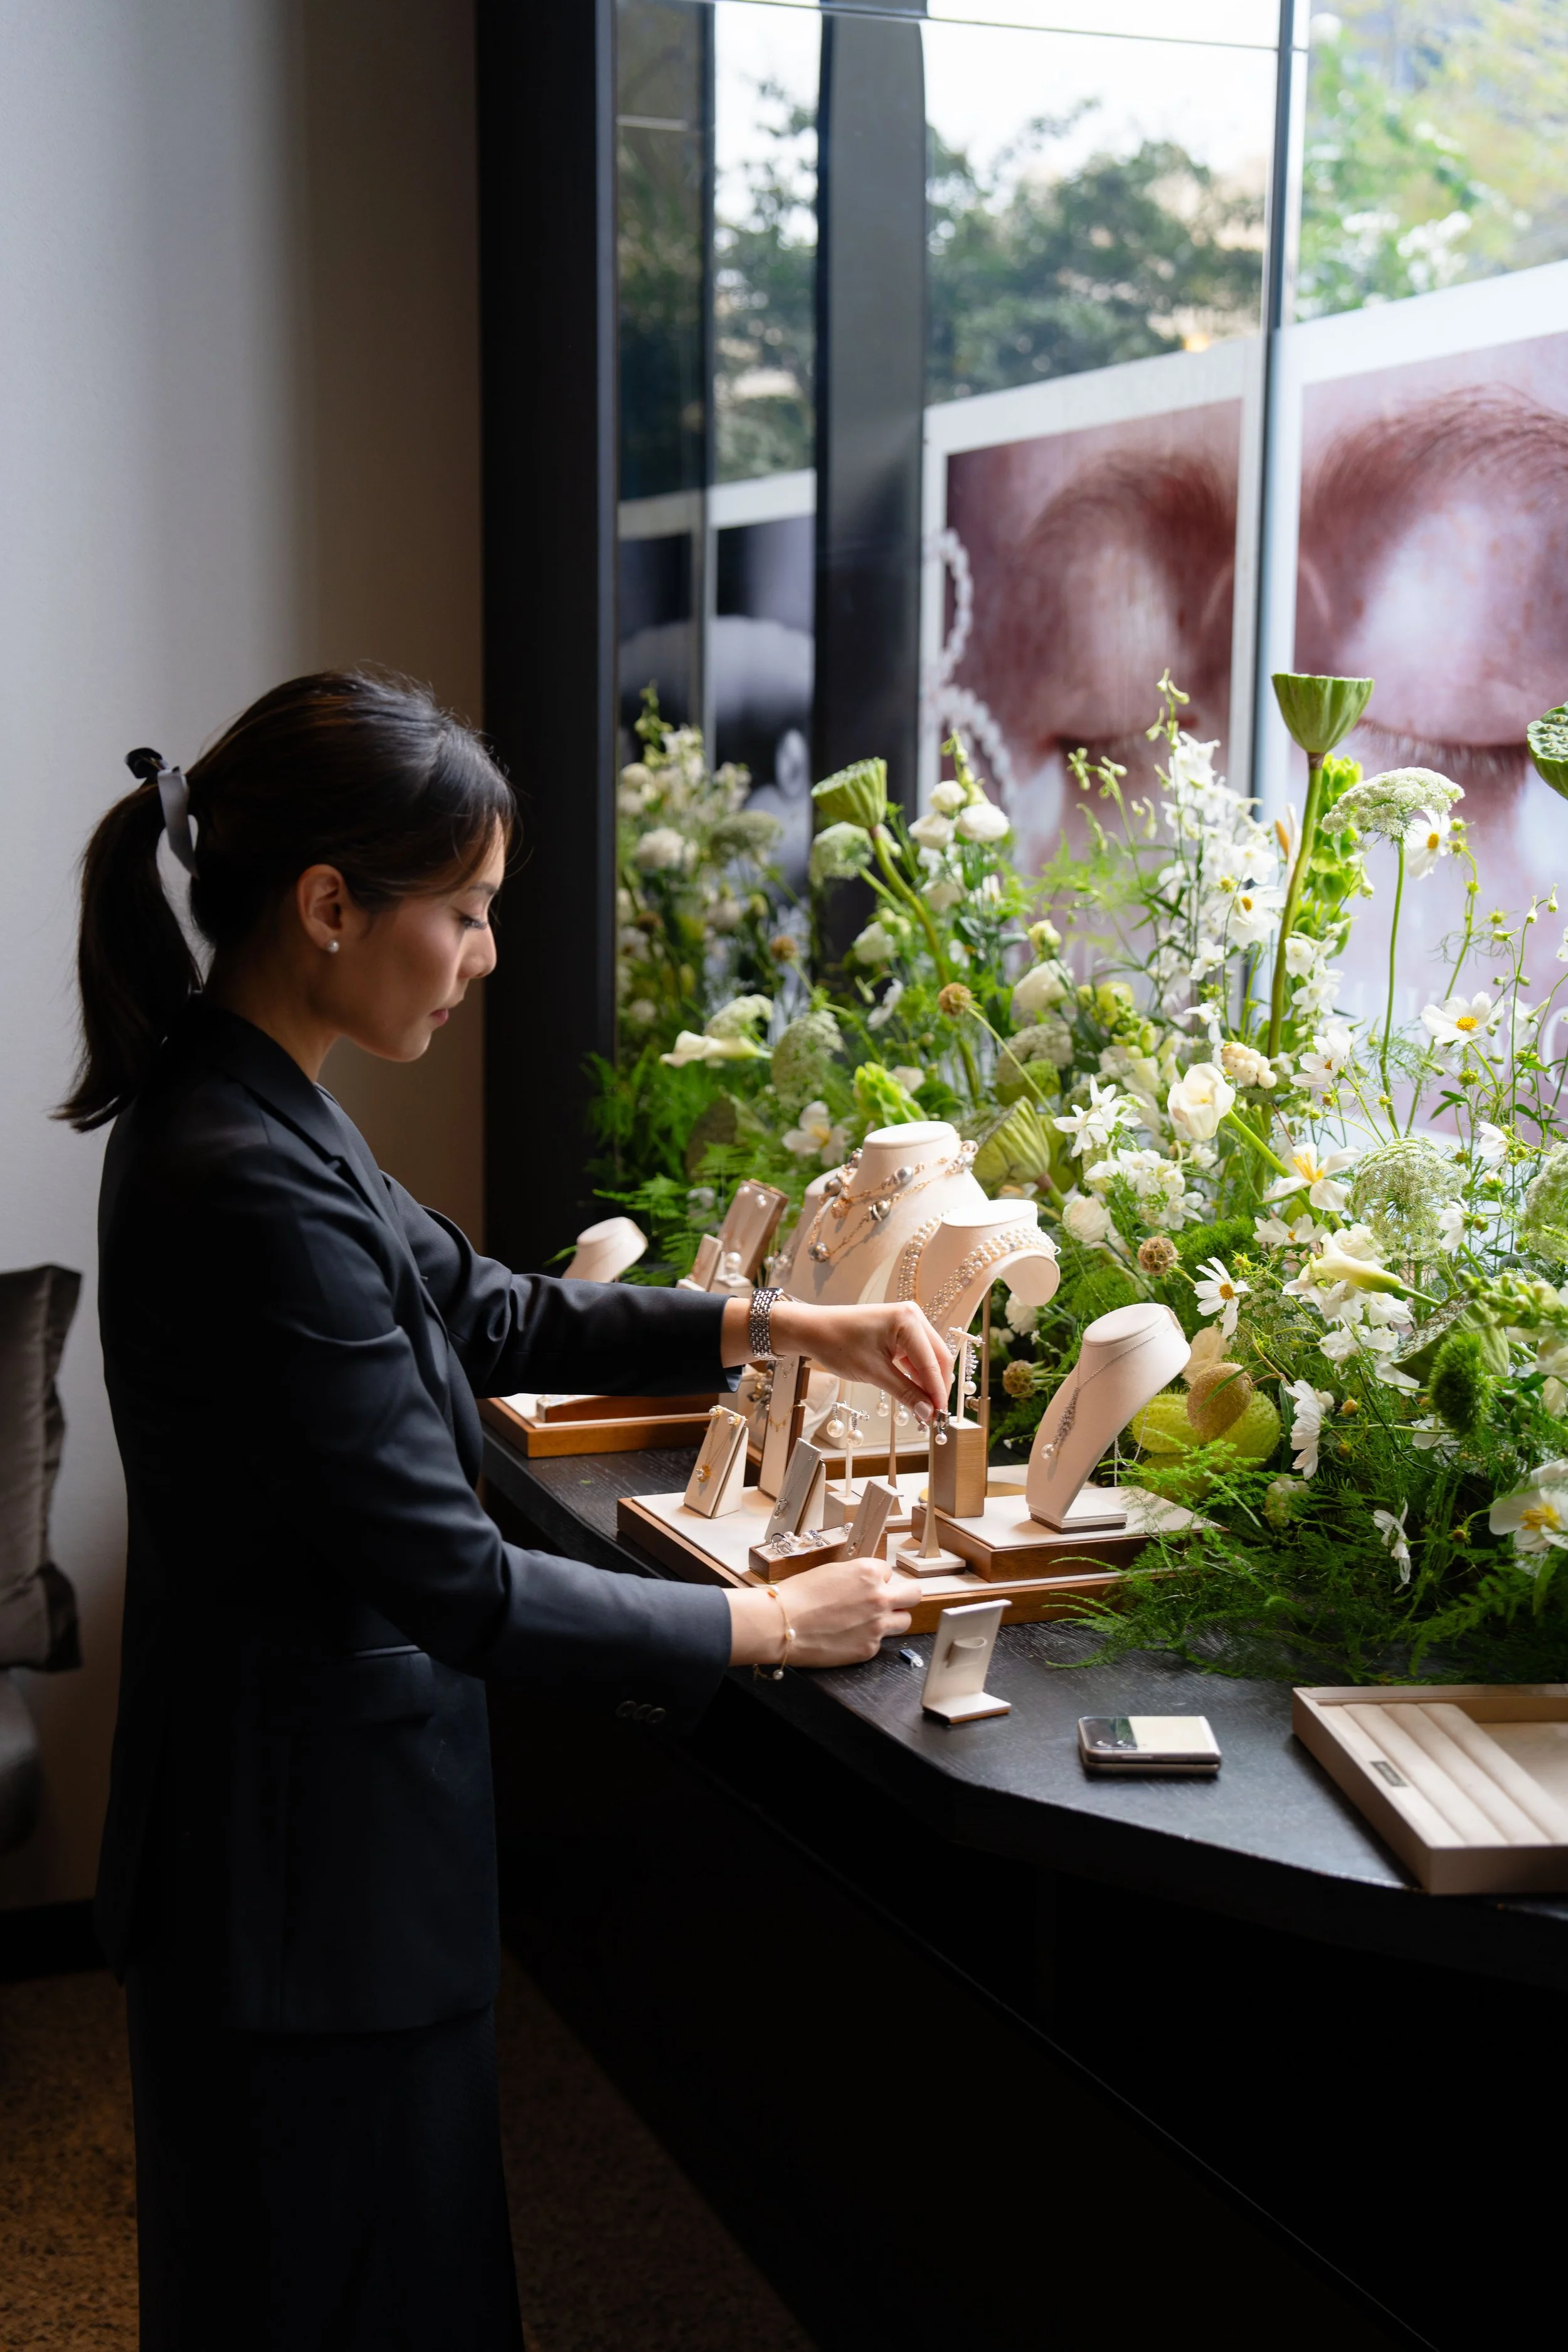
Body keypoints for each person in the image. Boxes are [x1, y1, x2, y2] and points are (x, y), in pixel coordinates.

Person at [62, 670, 942, 2351]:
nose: (482, 957)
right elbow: (460, 1583)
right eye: (464, 914)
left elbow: (487, 1305)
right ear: (331, 906)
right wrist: (769, 1621)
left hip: (288, 1856)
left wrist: (784, 1323)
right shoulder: (242, 1174)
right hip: (303, 1894)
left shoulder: (248, 1094)